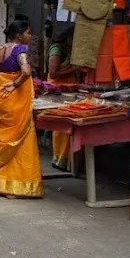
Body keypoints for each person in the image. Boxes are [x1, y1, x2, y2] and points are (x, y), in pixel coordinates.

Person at [0, 19, 43, 198]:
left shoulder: (0, 51)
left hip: (2, 100)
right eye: (27, 33)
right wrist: (15, 84)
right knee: (22, 142)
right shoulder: (20, 50)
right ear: (19, 36)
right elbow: (26, 71)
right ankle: (21, 186)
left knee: (4, 139)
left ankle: (3, 184)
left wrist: (8, 85)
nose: (30, 36)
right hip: (16, 101)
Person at [45, 21, 78, 171]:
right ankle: (60, 159)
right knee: (61, 128)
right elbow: (53, 72)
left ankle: (67, 160)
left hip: (68, 91)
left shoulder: (67, 49)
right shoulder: (57, 49)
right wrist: (72, 70)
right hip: (58, 90)